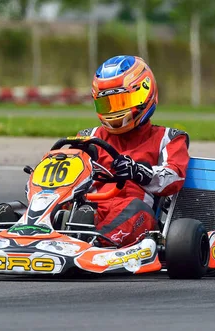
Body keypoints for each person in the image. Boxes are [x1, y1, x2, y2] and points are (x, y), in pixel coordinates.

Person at [75, 55, 190, 246]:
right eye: (107, 104)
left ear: (144, 94)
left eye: (121, 102)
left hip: (136, 211)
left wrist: (139, 171)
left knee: (135, 209)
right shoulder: (89, 137)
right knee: (67, 206)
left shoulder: (169, 138)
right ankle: (26, 230)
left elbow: (174, 176)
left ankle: (95, 245)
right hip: (91, 207)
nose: (114, 111)